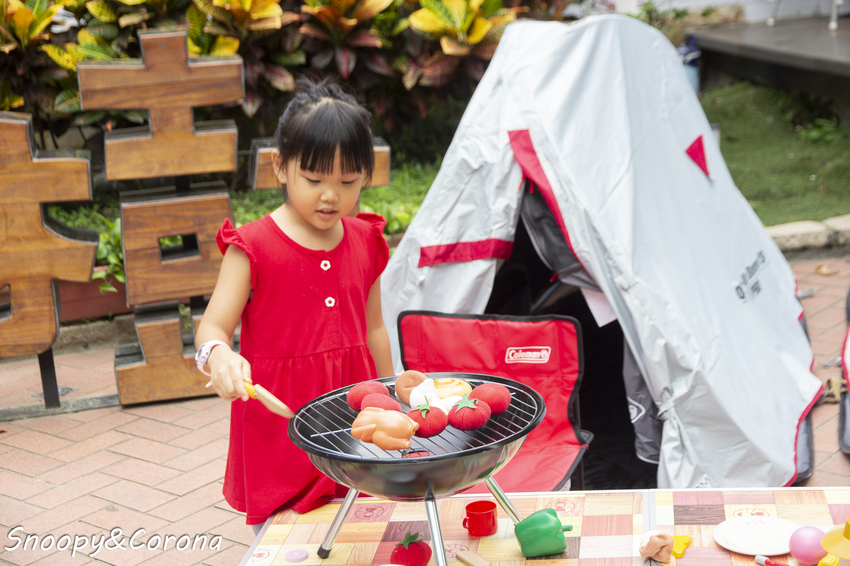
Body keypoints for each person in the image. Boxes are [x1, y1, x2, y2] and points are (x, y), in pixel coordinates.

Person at [194, 79, 393, 530]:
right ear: (280, 167)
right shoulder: (252, 247)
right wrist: (219, 355)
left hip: (355, 414)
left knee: (361, 527)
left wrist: (391, 397)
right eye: (314, 179)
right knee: (287, 537)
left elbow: (374, 328)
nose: (330, 195)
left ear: (366, 173)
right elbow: (212, 328)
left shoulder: (366, 239)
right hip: (281, 424)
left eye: (347, 181)